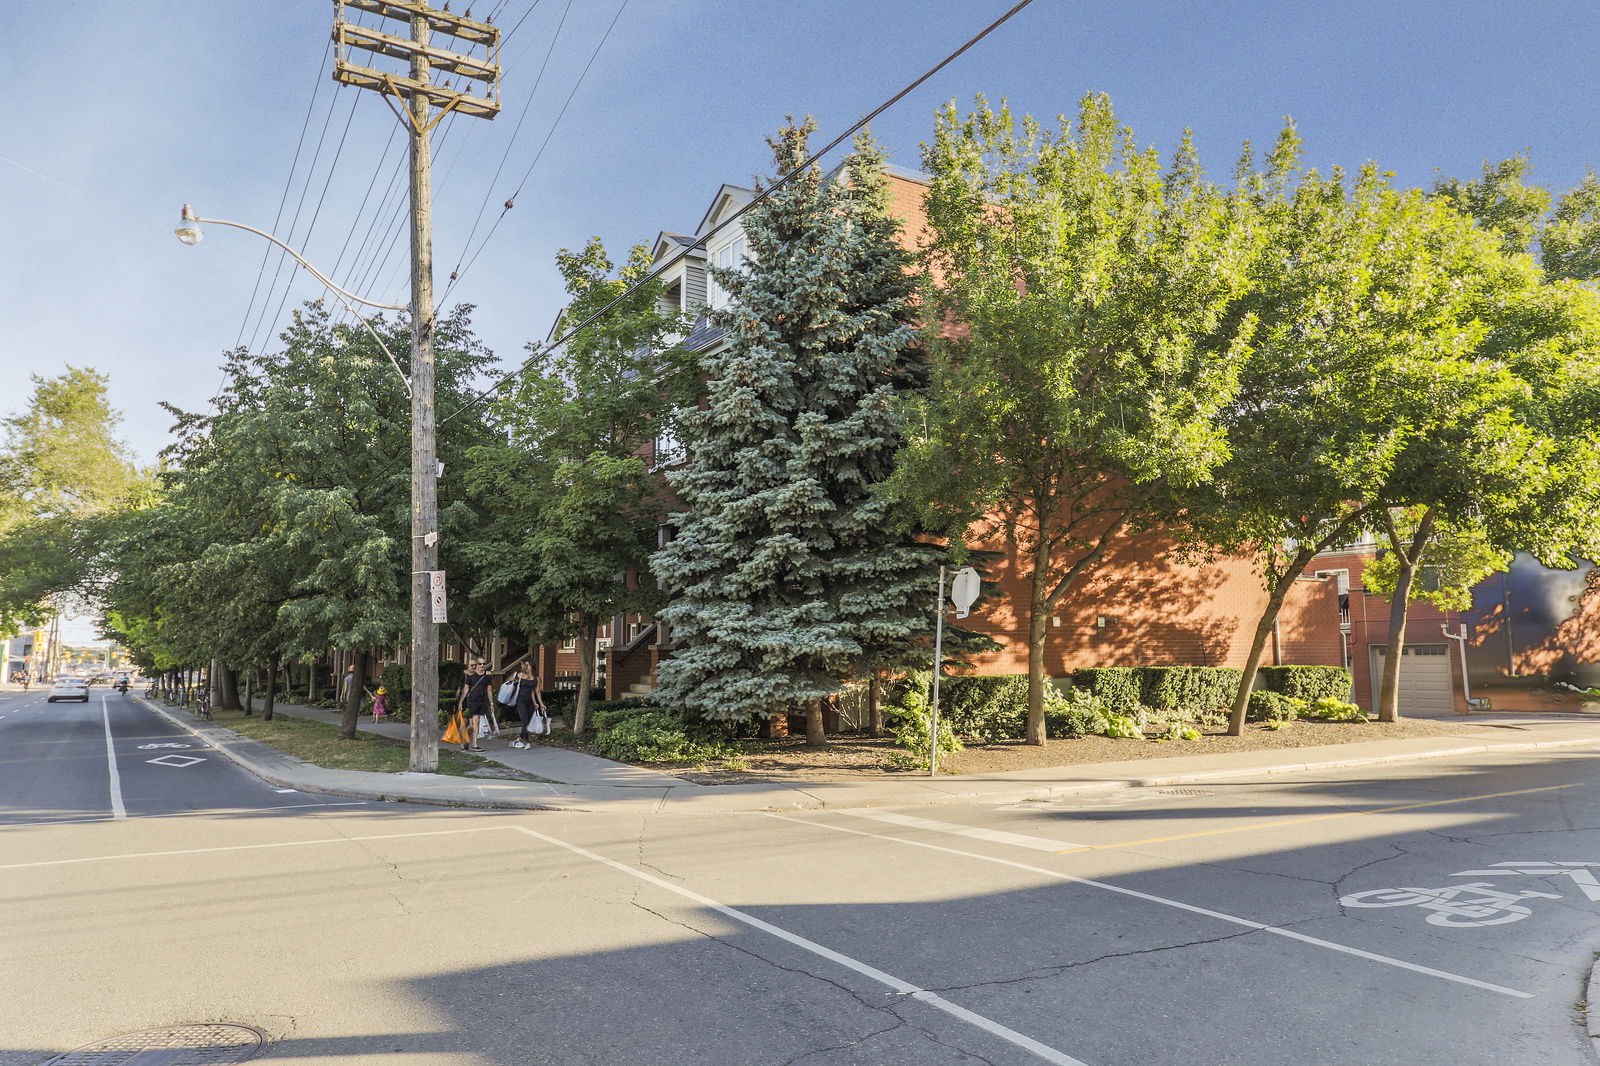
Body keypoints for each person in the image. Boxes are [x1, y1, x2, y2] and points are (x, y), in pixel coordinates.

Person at [508, 660, 547, 749]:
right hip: (520, 701)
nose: (526, 667)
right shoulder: (521, 675)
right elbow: (510, 683)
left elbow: (536, 691)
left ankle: (519, 739)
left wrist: (540, 703)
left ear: (532, 666)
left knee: (528, 722)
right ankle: (527, 742)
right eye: (525, 665)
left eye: (528, 665)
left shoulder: (536, 677)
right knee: (525, 721)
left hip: (530, 702)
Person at [456, 659, 492, 753]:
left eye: (484, 663)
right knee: (476, 721)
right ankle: (475, 745)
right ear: (476, 665)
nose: (482, 665)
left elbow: (489, 690)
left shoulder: (487, 677)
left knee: (472, 725)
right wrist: (460, 702)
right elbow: (466, 689)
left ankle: (464, 738)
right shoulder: (470, 676)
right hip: (473, 701)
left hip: (483, 702)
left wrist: (491, 703)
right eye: (480, 663)